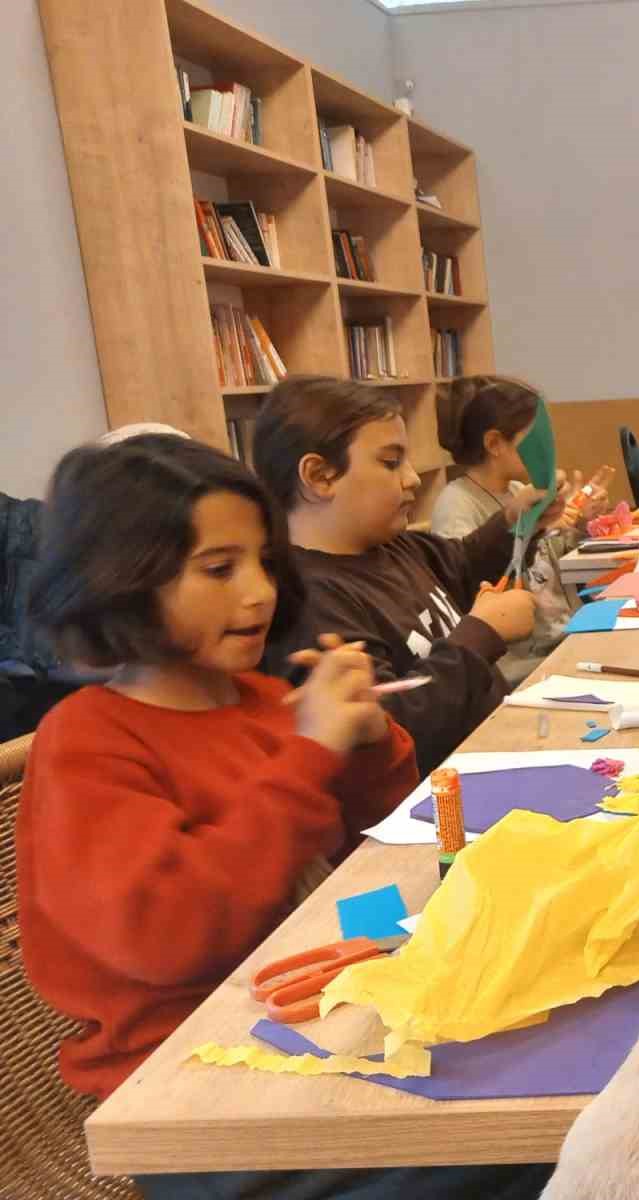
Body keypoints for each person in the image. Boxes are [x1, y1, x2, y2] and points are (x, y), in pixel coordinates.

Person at [18, 435, 539, 1197]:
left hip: (328, 1020)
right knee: (527, 1145)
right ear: (118, 579)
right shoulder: (87, 742)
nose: (260, 592)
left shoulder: (266, 703)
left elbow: (376, 851)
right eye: (219, 569)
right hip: (194, 1093)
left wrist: (364, 745)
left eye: (265, 561)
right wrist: (308, 754)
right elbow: (169, 935)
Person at [255, 376, 546, 775]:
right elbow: (395, 726)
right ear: (320, 476)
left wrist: (518, 519)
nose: (411, 477)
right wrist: (481, 634)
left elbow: (465, 562)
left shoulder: (394, 546)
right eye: (391, 462)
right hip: (440, 804)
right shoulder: (309, 603)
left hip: (496, 751)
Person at [428, 376, 608, 685]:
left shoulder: (516, 490)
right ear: (495, 443)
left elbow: (549, 564)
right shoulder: (457, 505)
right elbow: (464, 590)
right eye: (535, 438)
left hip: (561, 640)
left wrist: (578, 525)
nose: (548, 448)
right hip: (521, 665)